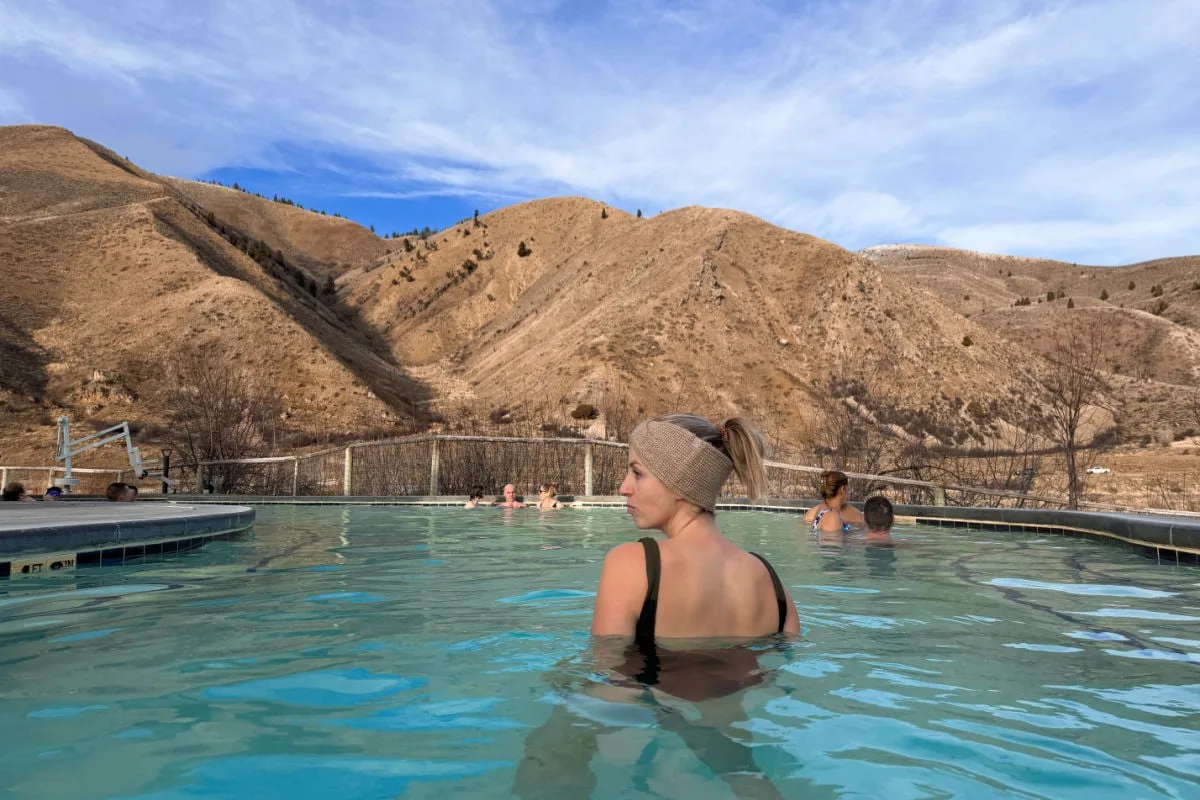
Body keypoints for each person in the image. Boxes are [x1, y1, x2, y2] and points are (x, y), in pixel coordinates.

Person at [515, 414, 799, 799]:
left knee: (542, 759)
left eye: (637, 473)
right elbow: (778, 676)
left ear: (680, 484)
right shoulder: (772, 581)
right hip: (728, 748)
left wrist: (560, 682)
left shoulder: (633, 564)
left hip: (647, 740)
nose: (623, 488)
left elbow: (609, 675)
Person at [803, 470, 863, 534]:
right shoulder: (832, 517)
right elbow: (831, 543)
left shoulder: (822, 507)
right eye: (847, 489)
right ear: (842, 489)